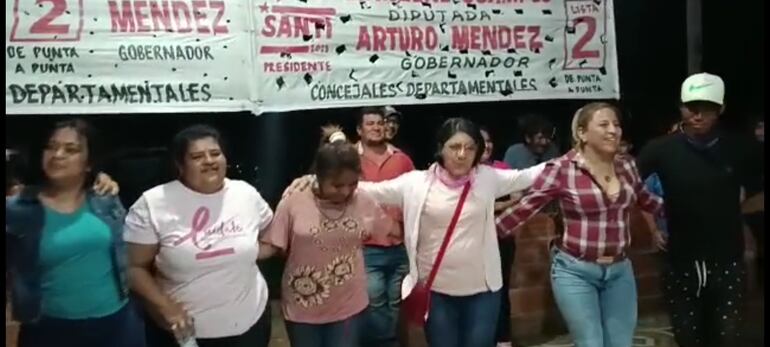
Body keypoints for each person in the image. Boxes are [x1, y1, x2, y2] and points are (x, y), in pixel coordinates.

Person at [284, 118, 546, 347]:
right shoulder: (416, 184)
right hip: (436, 290)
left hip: (483, 291)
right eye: (454, 147)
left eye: (470, 147)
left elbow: (530, 176)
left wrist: (568, 161)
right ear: (441, 148)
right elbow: (367, 190)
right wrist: (314, 179)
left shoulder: (488, 178)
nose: (462, 154)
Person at [496, 102, 664, 347]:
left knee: (620, 342)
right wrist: (482, 235)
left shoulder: (626, 165)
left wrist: (688, 211)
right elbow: (524, 208)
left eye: (616, 125)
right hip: (575, 271)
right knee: (590, 342)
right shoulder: (561, 169)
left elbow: (646, 199)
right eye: (604, 124)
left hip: (619, 270)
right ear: (582, 133)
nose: (613, 131)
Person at [637, 73, 764, 347]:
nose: (697, 114)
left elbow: (760, 192)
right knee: (688, 338)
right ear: (681, 107)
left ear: (721, 108)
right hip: (680, 260)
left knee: (727, 338)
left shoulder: (740, 147)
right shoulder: (660, 149)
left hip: (728, 260)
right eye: (691, 107)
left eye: (707, 107)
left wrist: (734, 212)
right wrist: (653, 224)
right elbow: (628, 186)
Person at [123, 125, 274, 347]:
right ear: (179, 165)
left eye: (215, 153)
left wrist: (249, 251)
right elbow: (134, 268)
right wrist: (164, 306)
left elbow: (273, 235)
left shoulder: (245, 193)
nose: (209, 161)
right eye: (197, 156)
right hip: (185, 333)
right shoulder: (152, 204)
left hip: (251, 323)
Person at [6, 119, 146, 347]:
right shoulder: (18, 209)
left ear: (89, 162)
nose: (57, 154)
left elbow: (127, 253)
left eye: (70, 149)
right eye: (51, 147)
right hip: (50, 328)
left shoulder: (105, 199)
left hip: (118, 323)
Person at [259, 126, 396, 347]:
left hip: (349, 303)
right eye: (337, 185)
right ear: (319, 176)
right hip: (302, 305)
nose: (345, 191)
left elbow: (391, 231)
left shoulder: (363, 200)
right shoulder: (294, 199)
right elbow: (274, 244)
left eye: (352, 184)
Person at [354, 107, 415, 347]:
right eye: (370, 123)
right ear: (359, 130)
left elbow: (414, 196)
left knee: (396, 302)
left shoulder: (402, 159)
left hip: (400, 246)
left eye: (380, 123)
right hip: (366, 247)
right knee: (375, 301)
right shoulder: (348, 158)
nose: (377, 128)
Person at [479, 127, 520, 347]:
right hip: (473, 241)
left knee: (501, 290)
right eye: (481, 141)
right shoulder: (466, 172)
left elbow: (518, 197)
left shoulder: (501, 168)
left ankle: (503, 339)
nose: (487, 145)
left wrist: (491, 206)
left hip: (501, 238)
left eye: (489, 141)